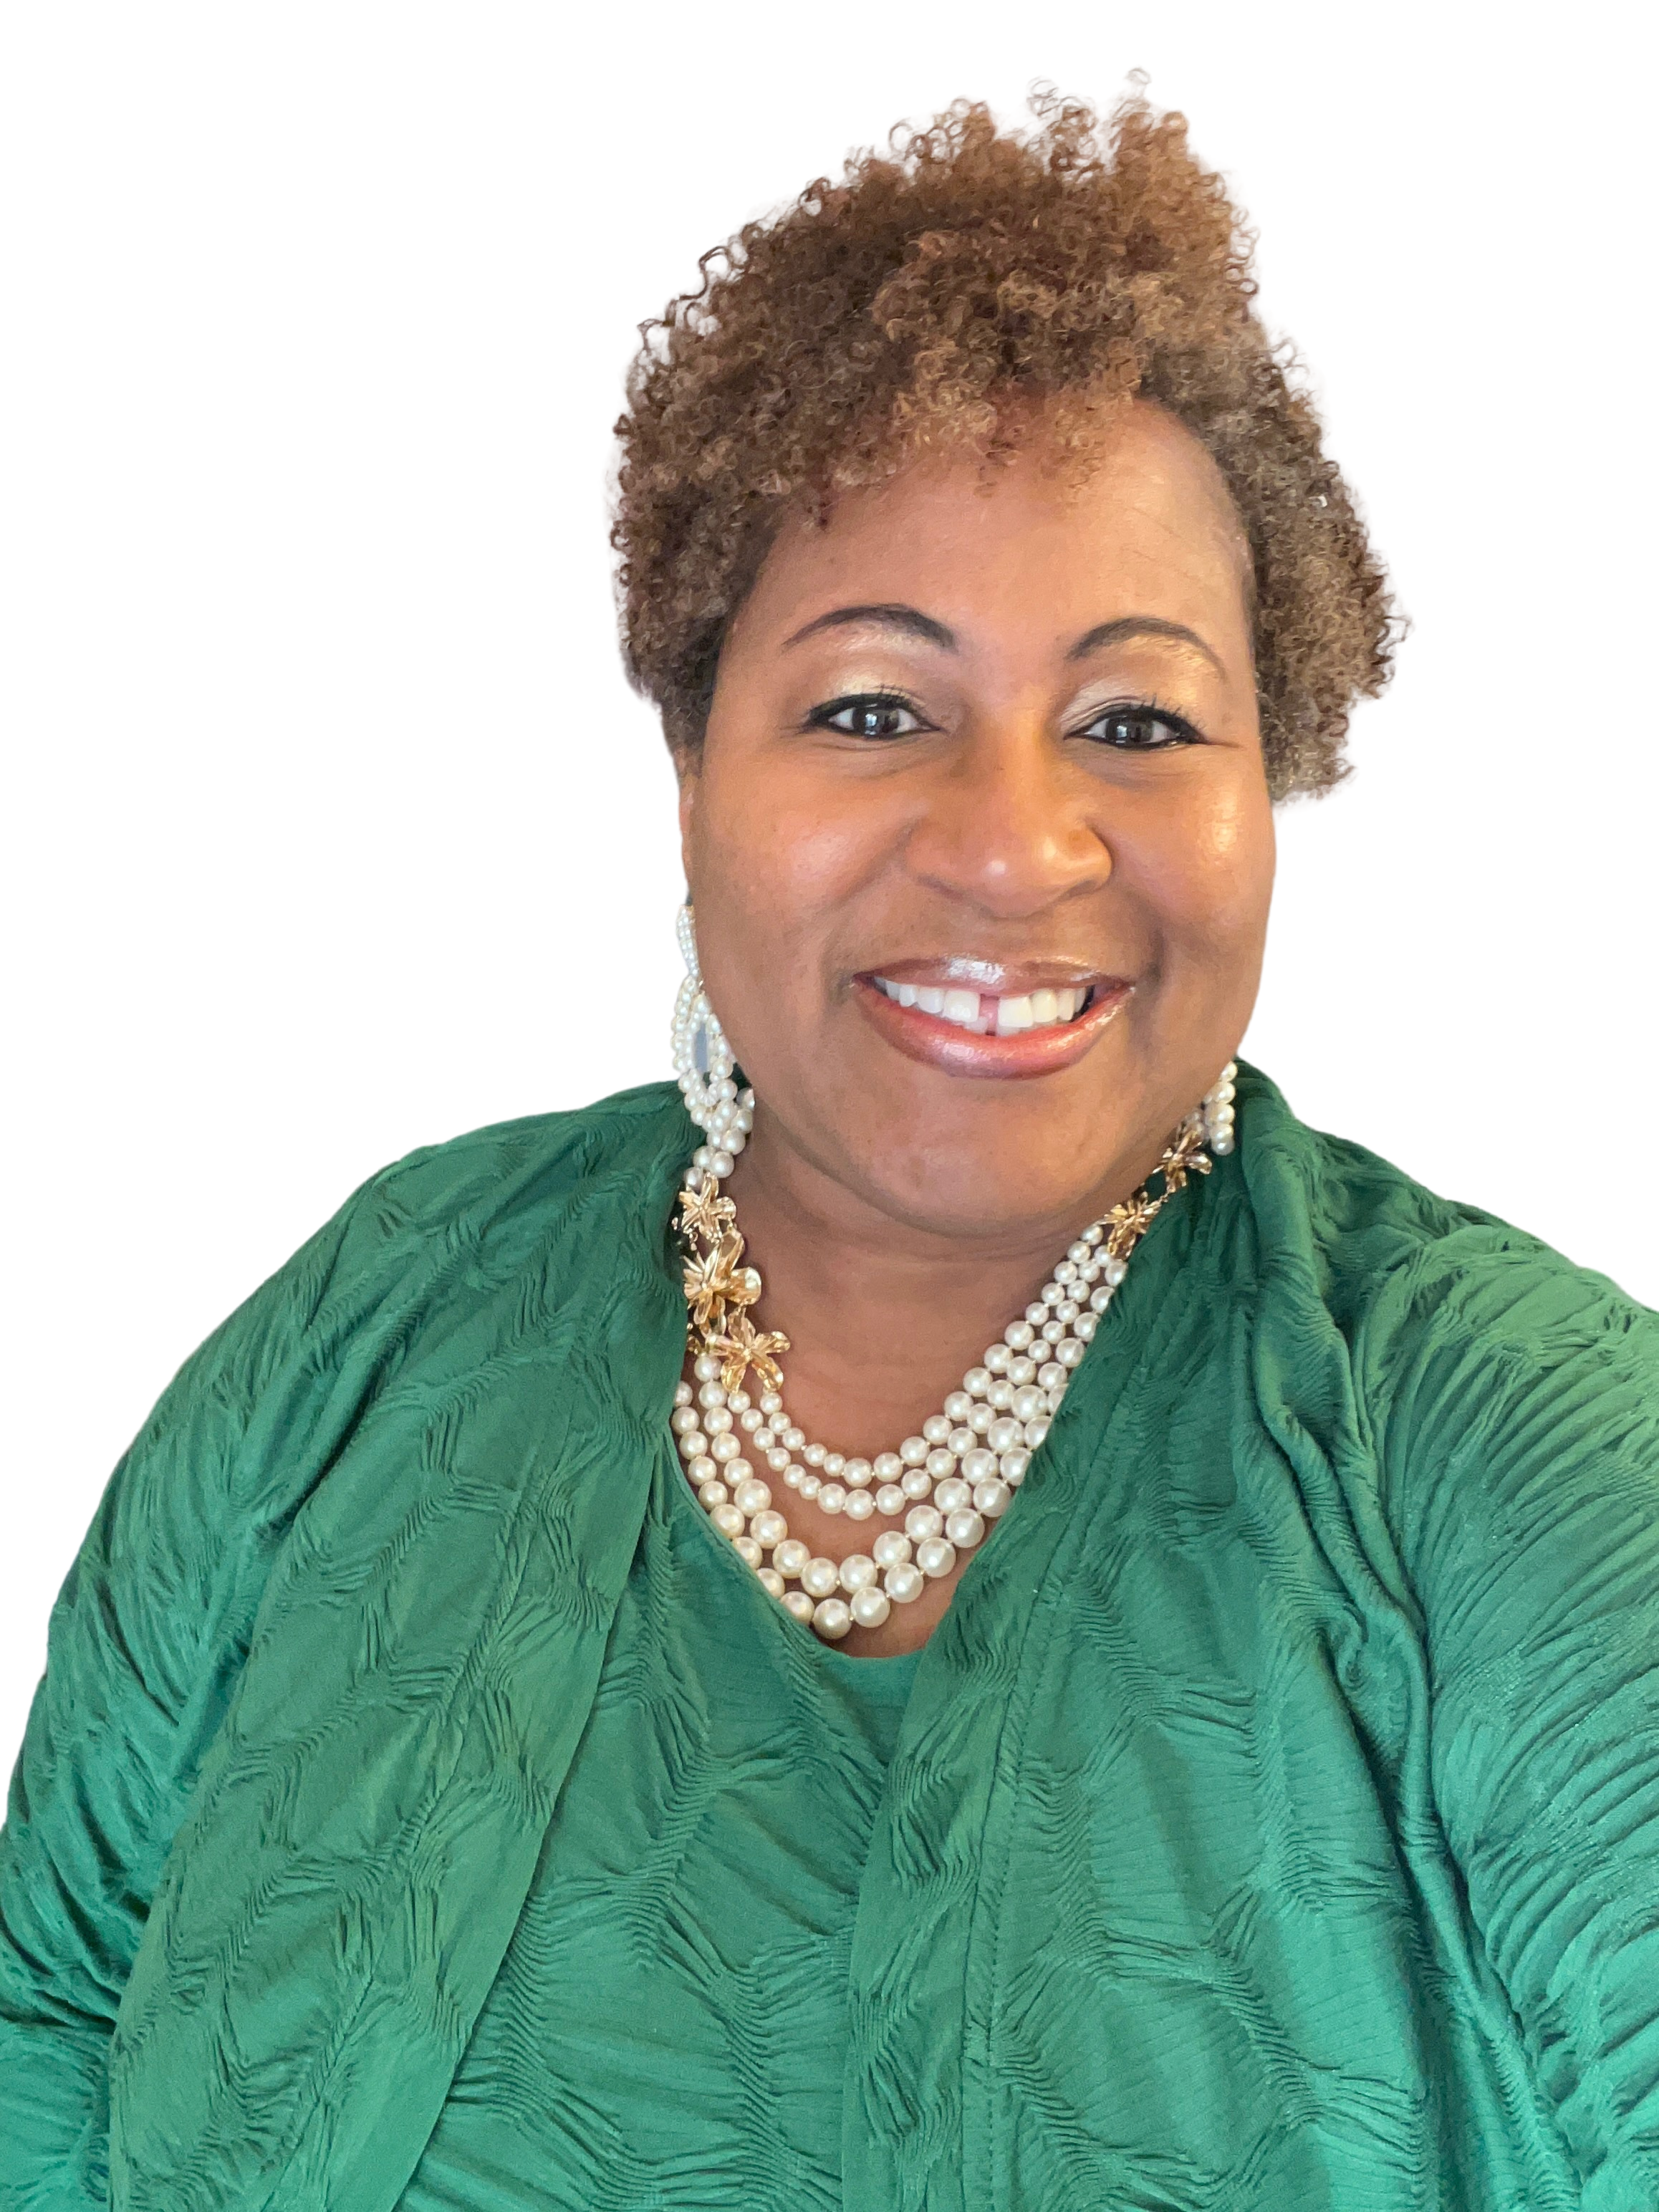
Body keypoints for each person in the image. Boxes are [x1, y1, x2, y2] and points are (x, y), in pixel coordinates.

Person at [3, 90, 1656, 2212]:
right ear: (692, 756)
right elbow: (50, 2018)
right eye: (872, 708)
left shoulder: (1490, 1452)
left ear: (1274, 778)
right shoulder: (378, 1320)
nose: (1008, 845)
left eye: (1137, 723)